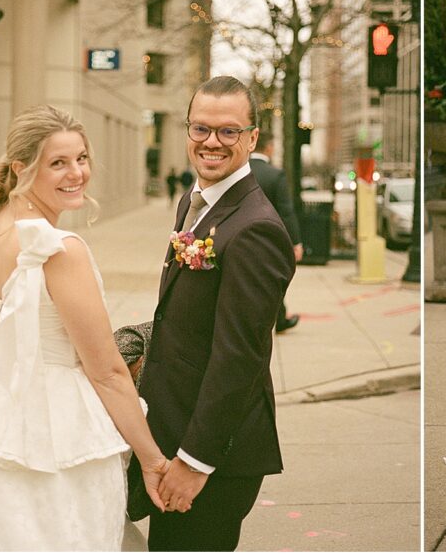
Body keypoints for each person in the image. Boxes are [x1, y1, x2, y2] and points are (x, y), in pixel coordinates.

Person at [0, 105, 169, 550]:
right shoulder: (59, 249)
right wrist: (152, 462)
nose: (76, 173)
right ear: (22, 168)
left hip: (2, 416)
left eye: (81, 158)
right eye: (57, 162)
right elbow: (108, 373)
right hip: (58, 428)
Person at [131, 76, 296, 551]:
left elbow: (239, 358)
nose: (211, 142)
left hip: (214, 458)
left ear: (251, 138)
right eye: (201, 128)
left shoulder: (256, 229)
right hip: (173, 427)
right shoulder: (194, 202)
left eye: (228, 131)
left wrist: (194, 461)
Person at [249, 130, 303, 332]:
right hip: (269, 240)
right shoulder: (275, 175)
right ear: (269, 148)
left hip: (239, 237)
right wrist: (295, 242)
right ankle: (279, 318)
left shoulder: (239, 172)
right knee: (273, 280)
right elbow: (286, 212)